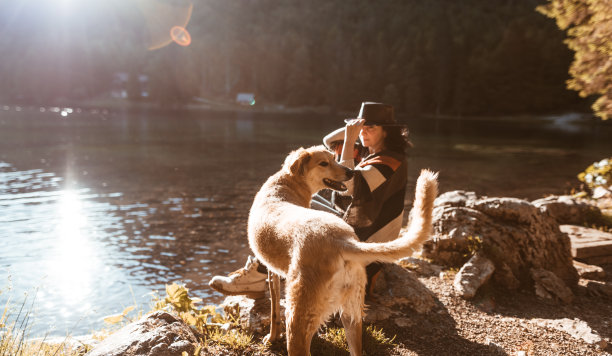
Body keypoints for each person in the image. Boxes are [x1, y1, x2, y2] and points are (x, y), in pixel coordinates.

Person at [209, 102, 412, 298]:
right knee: (291, 209)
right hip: (356, 223)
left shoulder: (389, 161)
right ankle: (261, 272)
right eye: (361, 126)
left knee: (294, 218)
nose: (363, 132)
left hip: (367, 238)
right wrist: (353, 129)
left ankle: (257, 276)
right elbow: (328, 141)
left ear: (386, 131)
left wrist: (351, 140)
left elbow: (349, 188)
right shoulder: (370, 152)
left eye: (370, 128)